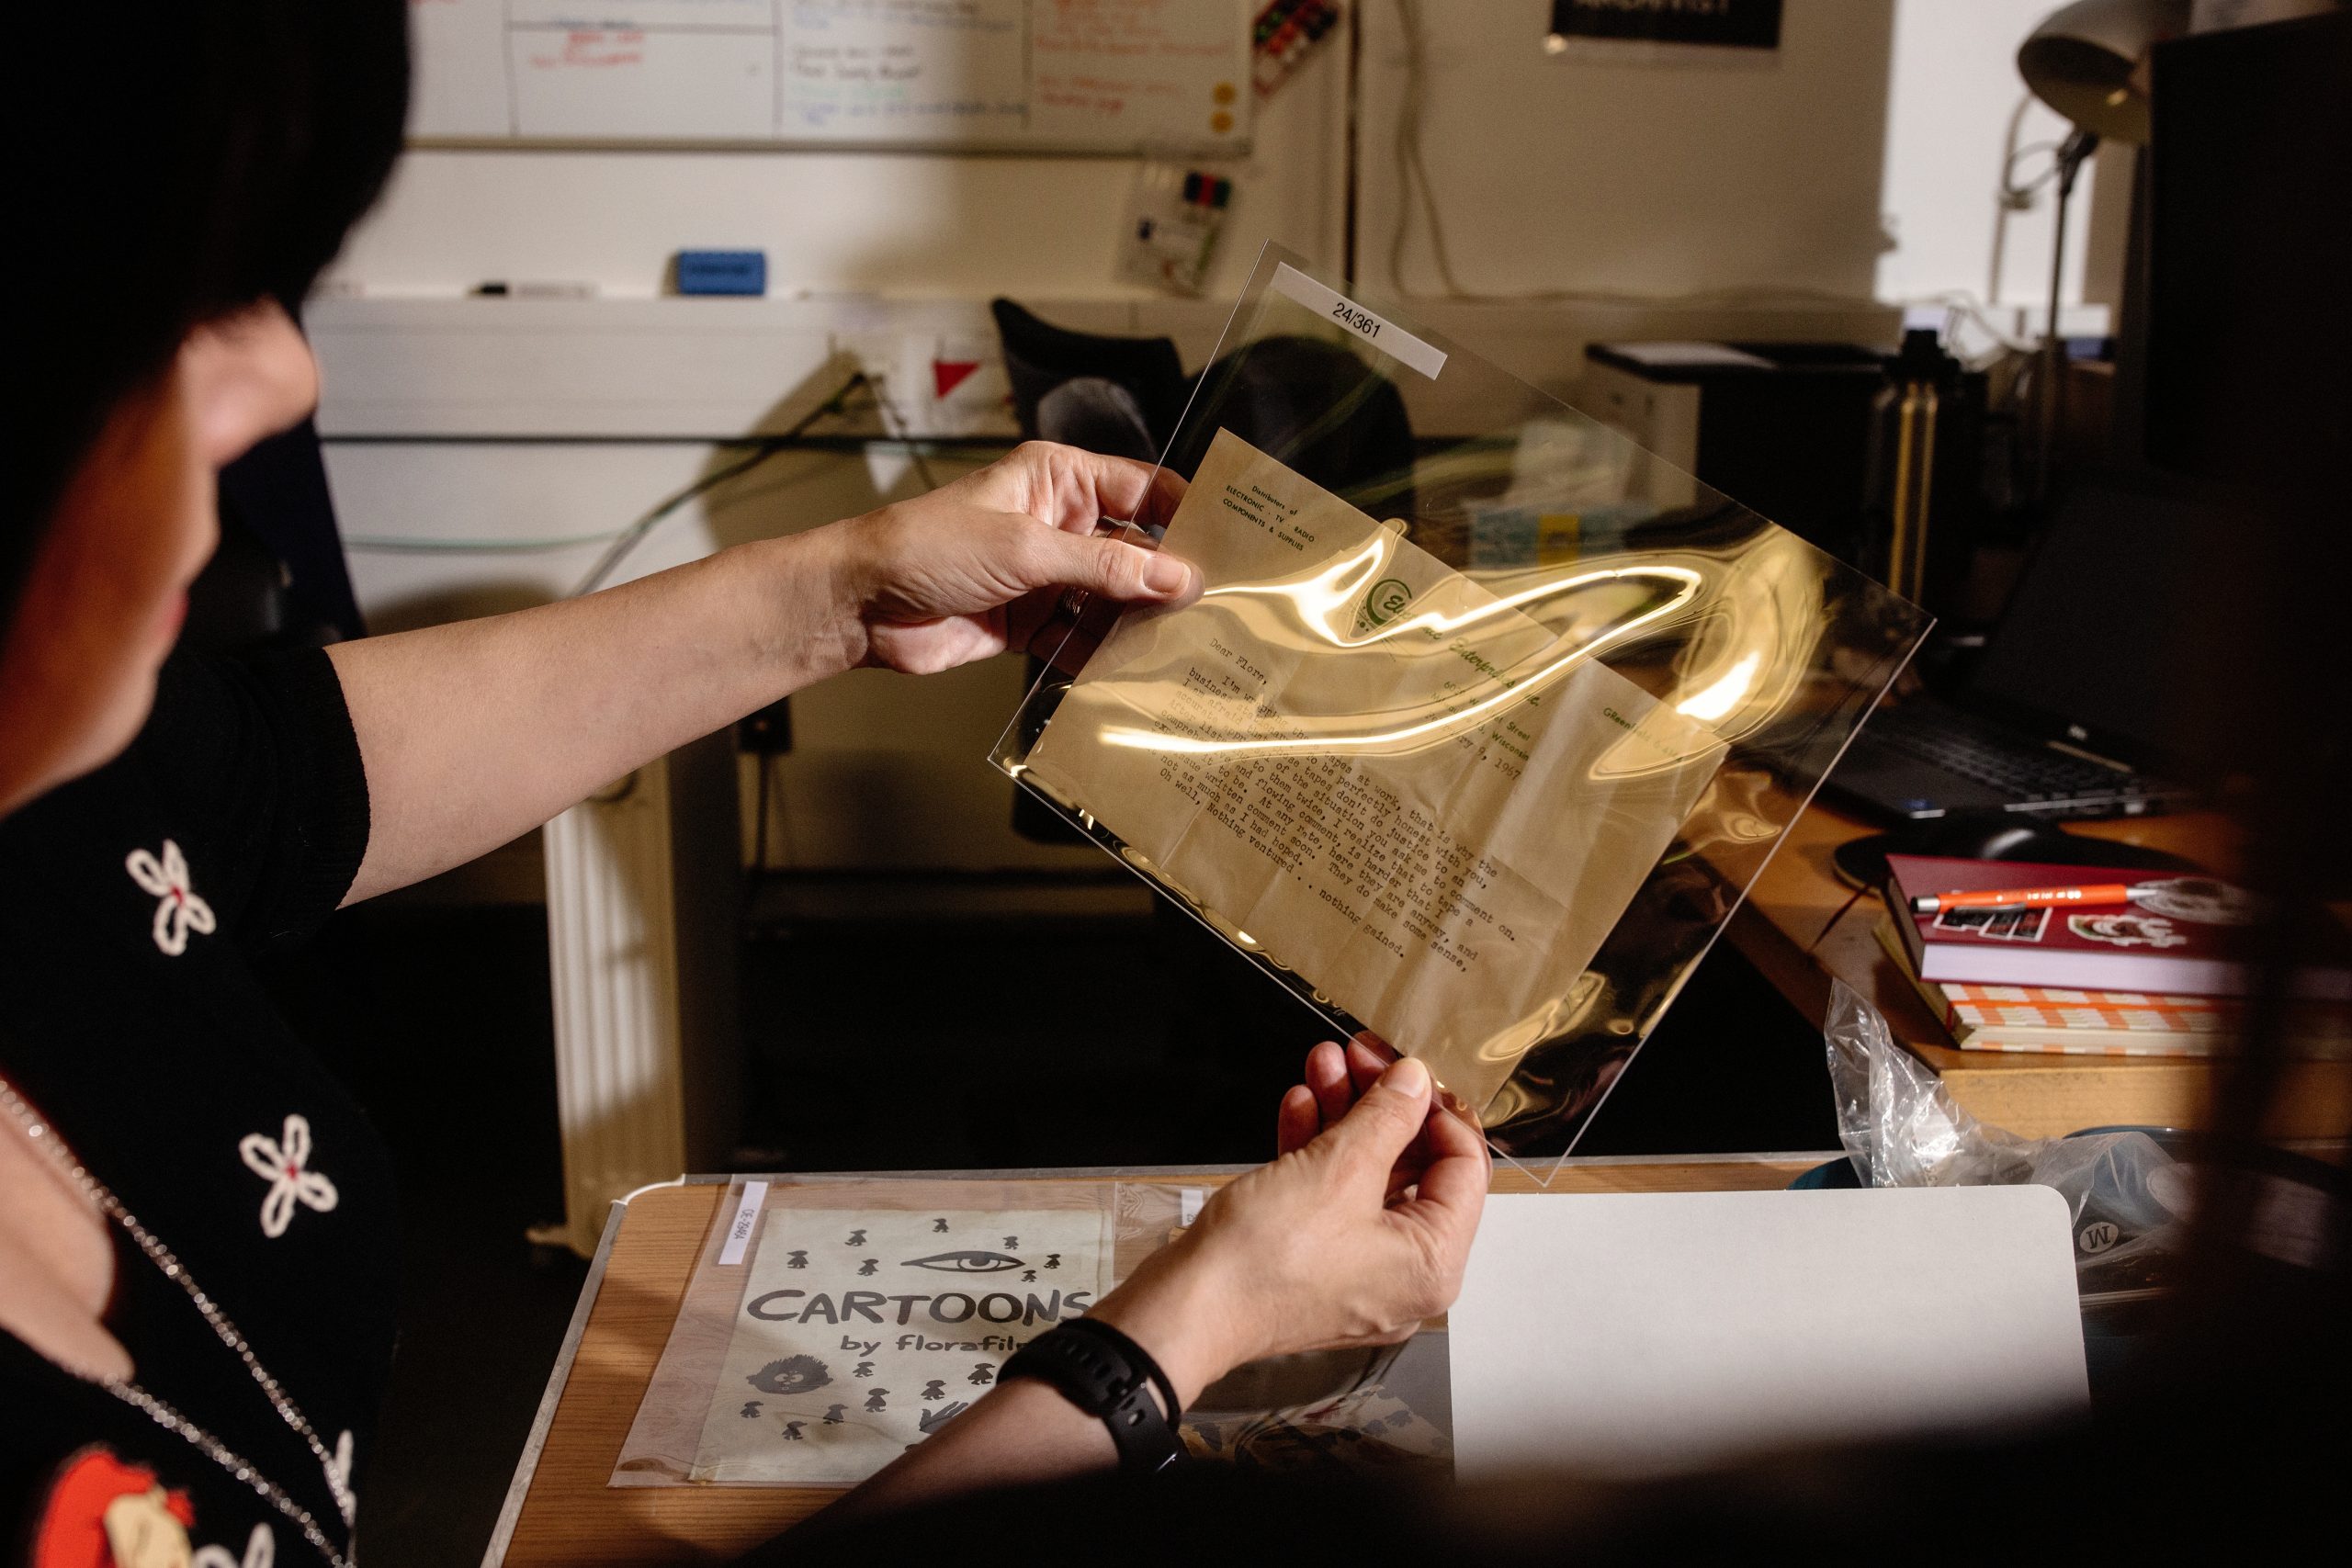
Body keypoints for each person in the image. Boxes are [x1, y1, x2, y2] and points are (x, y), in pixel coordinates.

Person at [0, 6, 1487, 1563]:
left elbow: (289, 771)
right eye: (163, 299)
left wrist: (847, 592)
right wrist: (1194, 1324)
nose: (286, 375)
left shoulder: (60, 797)